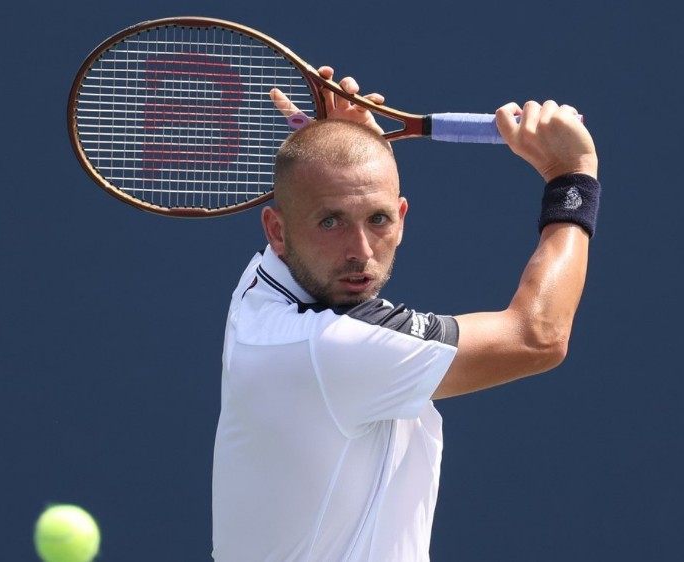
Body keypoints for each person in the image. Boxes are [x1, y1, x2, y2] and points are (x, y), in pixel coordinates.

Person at [211, 67, 600, 561]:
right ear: (277, 230)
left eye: (377, 219)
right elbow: (538, 336)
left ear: (401, 218)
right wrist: (572, 178)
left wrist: (342, 154)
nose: (360, 251)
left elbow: (321, 195)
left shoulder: (258, 290)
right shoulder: (328, 349)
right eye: (329, 221)